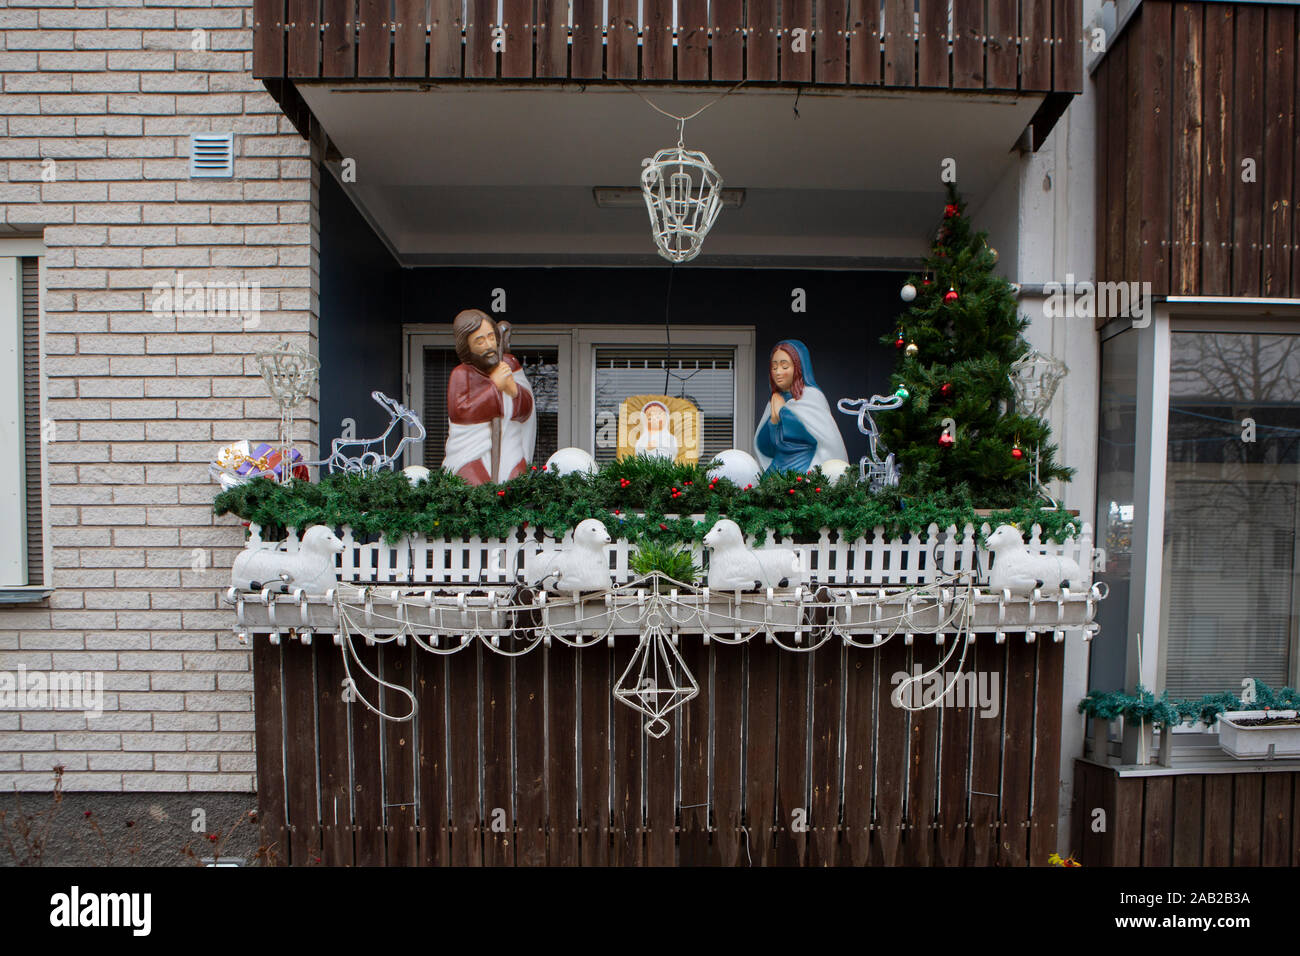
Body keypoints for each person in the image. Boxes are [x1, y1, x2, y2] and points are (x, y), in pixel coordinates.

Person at [442, 309, 536, 484]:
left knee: (515, 488)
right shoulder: (461, 374)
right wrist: (495, 387)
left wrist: (512, 390)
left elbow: (526, 411)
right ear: (467, 347)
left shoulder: (508, 366)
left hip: (509, 447)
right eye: (480, 341)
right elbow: (461, 412)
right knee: (475, 488)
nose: (488, 345)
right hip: (470, 452)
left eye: (491, 337)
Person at [754, 339, 847, 475]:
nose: (778, 372)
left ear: (798, 368)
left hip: (804, 470)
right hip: (775, 471)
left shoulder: (811, 397)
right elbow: (765, 447)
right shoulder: (774, 401)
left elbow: (826, 440)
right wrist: (773, 420)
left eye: (784, 367)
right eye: (774, 368)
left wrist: (782, 412)